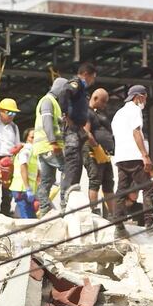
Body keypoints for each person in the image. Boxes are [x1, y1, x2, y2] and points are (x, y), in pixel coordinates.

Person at [111, 85, 153, 235]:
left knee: (121, 191)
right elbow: (136, 132)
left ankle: (119, 225)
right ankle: (149, 223)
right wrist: (145, 156)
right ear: (138, 97)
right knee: (148, 187)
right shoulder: (135, 110)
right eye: (145, 98)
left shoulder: (118, 113)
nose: (145, 102)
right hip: (135, 156)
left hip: (121, 157)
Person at [33, 78, 70, 216]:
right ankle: (64, 206)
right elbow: (47, 122)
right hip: (49, 146)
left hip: (44, 147)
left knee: (47, 180)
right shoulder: (48, 101)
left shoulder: (53, 103)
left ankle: (44, 210)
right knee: (68, 170)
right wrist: (53, 142)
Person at [61, 63, 98, 199]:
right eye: (92, 78)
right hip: (72, 128)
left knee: (77, 163)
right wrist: (65, 115)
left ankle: (71, 196)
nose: (92, 82)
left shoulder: (82, 88)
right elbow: (65, 92)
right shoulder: (76, 83)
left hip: (78, 128)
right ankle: (66, 198)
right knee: (73, 162)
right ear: (86, 74)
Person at [83, 89, 115, 215]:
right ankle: (94, 212)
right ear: (95, 98)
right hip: (93, 151)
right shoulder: (86, 112)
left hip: (105, 153)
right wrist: (96, 147)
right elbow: (86, 132)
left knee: (108, 182)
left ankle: (113, 214)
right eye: (103, 102)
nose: (104, 105)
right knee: (95, 181)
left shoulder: (99, 113)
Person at [10, 129, 38, 219]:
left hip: (26, 191)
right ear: (27, 139)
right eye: (32, 137)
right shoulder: (26, 150)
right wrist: (27, 188)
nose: (35, 139)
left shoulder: (33, 152)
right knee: (27, 219)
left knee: (30, 218)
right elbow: (23, 167)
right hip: (22, 189)